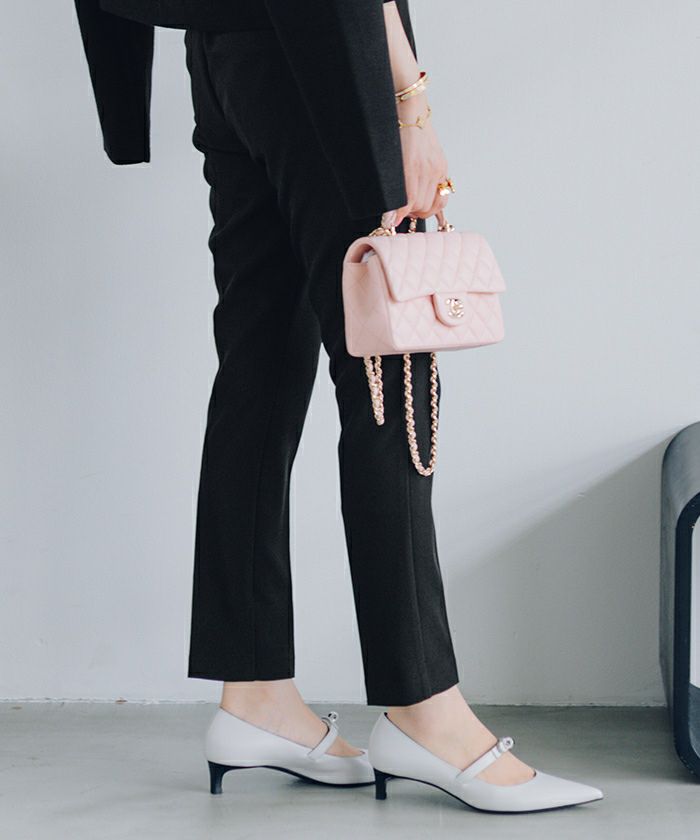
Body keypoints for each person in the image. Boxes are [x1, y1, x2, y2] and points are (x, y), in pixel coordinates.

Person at [73, 0, 603, 812]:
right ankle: (424, 710)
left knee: (259, 367)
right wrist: (410, 100)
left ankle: (254, 691)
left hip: (223, 52)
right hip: (322, 44)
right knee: (391, 360)